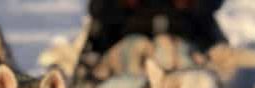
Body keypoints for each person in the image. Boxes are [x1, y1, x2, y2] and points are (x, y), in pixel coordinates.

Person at [87, 0, 225, 55]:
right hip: (124, 45)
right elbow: (97, 9)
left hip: (185, 44)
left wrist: (193, 3)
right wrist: (121, 3)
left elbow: (211, 5)